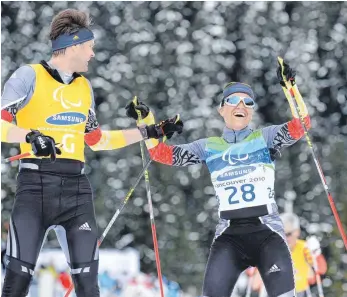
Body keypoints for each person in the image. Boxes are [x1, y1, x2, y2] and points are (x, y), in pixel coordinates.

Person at [1, 9, 181, 297]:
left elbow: (97, 140)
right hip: (35, 189)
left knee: (88, 287)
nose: (92, 54)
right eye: (89, 47)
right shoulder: (28, 76)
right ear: (72, 45)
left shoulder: (84, 87)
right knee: (16, 284)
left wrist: (150, 132)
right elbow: (1, 124)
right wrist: (30, 136)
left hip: (76, 192)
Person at [126, 61, 312, 297]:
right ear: (221, 109)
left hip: (268, 234)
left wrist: (291, 88)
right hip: (229, 236)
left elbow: (302, 125)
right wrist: (149, 124)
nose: (241, 105)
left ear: (252, 111)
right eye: (233, 100)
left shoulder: (264, 138)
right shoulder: (209, 147)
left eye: (248, 102)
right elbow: (161, 154)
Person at [248, 213, 327, 297]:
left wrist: (316, 254)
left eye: (288, 234)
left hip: (298, 292)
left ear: (297, 232)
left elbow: (320, 271)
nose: (285, 238)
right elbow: (253, 281)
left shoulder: (305, 248)